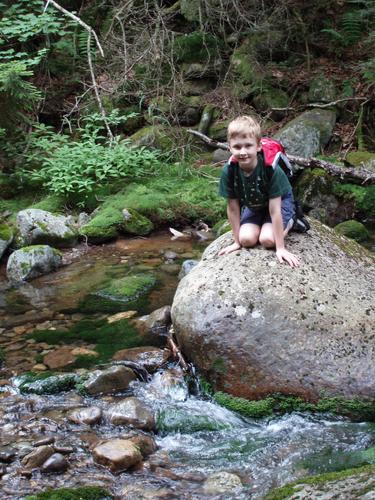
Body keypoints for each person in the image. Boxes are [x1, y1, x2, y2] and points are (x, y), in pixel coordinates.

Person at [218, 115, 300, 268]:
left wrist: (280, 248)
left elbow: (275, 210)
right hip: (256, 203)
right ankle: (258, 225)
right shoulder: (229, 171)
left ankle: (292, 219)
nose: (243, 152)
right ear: (229, 147)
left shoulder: (270, 169)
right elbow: (233, 207)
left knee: (268, 240)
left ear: (258, 146)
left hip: (278, 202)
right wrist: (236, 242)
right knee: (246, 240)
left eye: (248, 146)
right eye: (237, 147)